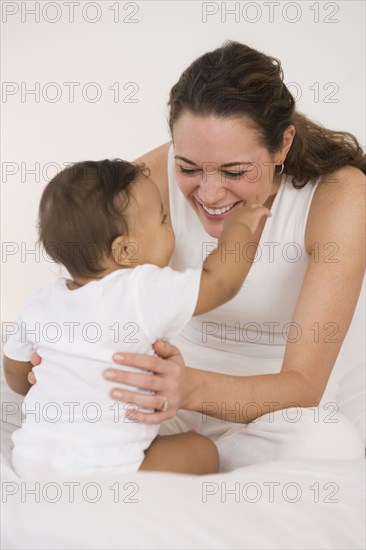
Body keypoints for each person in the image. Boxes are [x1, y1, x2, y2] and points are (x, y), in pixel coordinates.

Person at [61, 40, 364, 471]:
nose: (209, 193)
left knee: (329, 446)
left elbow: (303, 386)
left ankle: (189, 459)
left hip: (274, 407)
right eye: (187, 167)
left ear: (282, 146)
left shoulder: (340, 196)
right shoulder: (148, 181)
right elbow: (97, 284)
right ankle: (182, 457)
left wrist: (189, 388)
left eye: (234, 171)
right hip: (168, 385)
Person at [3, 158, 271, 478]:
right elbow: (220, 282)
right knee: (202, 450)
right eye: (162, 220)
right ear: (126, 251)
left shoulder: (39, 303)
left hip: (33, 462)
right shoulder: (139, 288)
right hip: (109, 470)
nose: (170, 225)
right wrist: (238, 227)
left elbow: (17, 374)